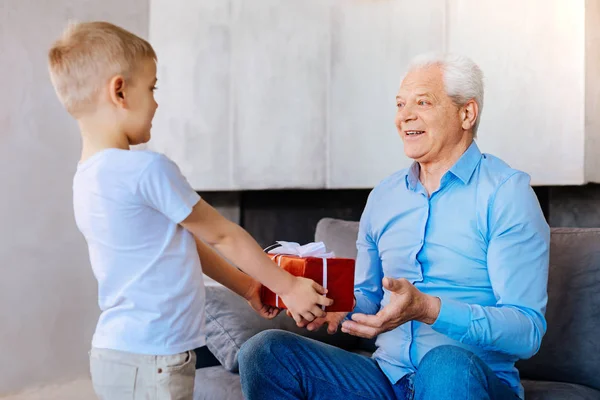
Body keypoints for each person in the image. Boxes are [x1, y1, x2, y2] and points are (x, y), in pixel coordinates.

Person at [47, 21, 333, 400]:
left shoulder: (86, 178)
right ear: (119, 91)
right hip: (153, 360)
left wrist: (248, 286)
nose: (156, 102)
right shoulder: (146, 169)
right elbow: (222, 233)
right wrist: (290, 286)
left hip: (118, 352)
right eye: (151, 88)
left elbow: (182, 242)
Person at [238, 53, 550, 400]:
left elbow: (527, 331)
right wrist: (338, 306)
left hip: (470, 380)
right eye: (400, 104)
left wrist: (430, 309)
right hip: (387, 377)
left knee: (444, 363)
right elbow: (369, 298)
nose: (405, 116)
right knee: (265, 352)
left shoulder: (506, 194)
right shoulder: (384, 196)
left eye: (422, 102)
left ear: (467, 113)